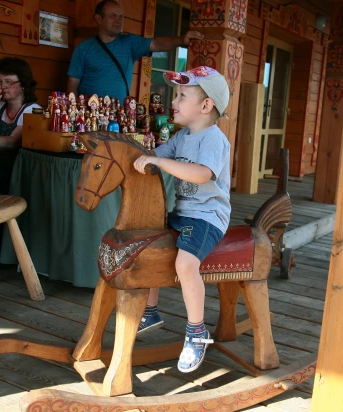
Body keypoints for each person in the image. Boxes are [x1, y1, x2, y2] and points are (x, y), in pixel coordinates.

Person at [133, 66, 231, 373]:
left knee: (185, 264)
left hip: (206, 216)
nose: (173, 101)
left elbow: (202, 174)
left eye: (181, 95)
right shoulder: (182, 137)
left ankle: (196, 331)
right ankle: (150, 311)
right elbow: (155, 155)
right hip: (182, 212)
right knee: (149, 247)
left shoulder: (212, 139)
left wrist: (160, 161)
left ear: (205, 106)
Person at [67, 0, 204, 102]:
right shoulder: (83, 49)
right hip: (88, 116)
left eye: (121, 17)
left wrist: (181, 40)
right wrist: (72, 110)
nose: (118, 20)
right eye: (113, 16)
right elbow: (73, 83)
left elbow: (156, 44)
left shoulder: (130, 43)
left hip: (119, 116)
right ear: (98, 18)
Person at [0, 57, 41, 195]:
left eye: (8, 82)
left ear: (23, 84)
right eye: (0, 82)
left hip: (16, 174)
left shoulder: (32, 110)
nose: (3, 86)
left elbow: (12, 142)